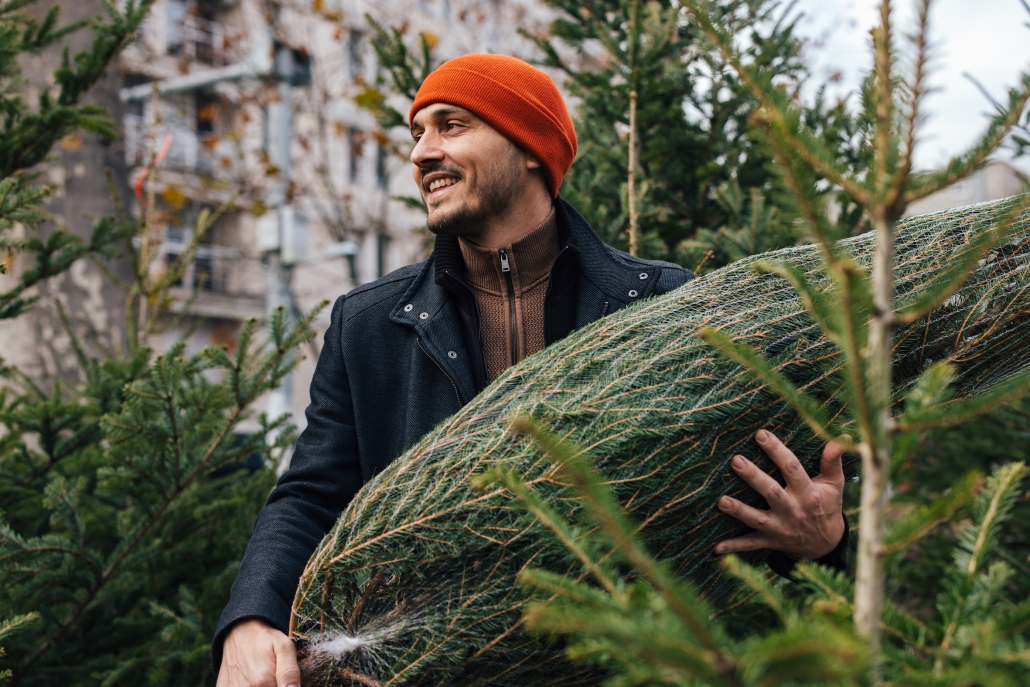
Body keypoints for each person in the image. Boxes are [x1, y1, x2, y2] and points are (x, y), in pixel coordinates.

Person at [213, 54, 848, 687]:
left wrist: (823, 542)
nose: (422, 153)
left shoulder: (663, 303)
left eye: (452, 126)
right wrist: (252, 617)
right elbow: (311, 493)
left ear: (530, 149)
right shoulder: (370, 323)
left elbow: (747, 494)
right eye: (417, 133)